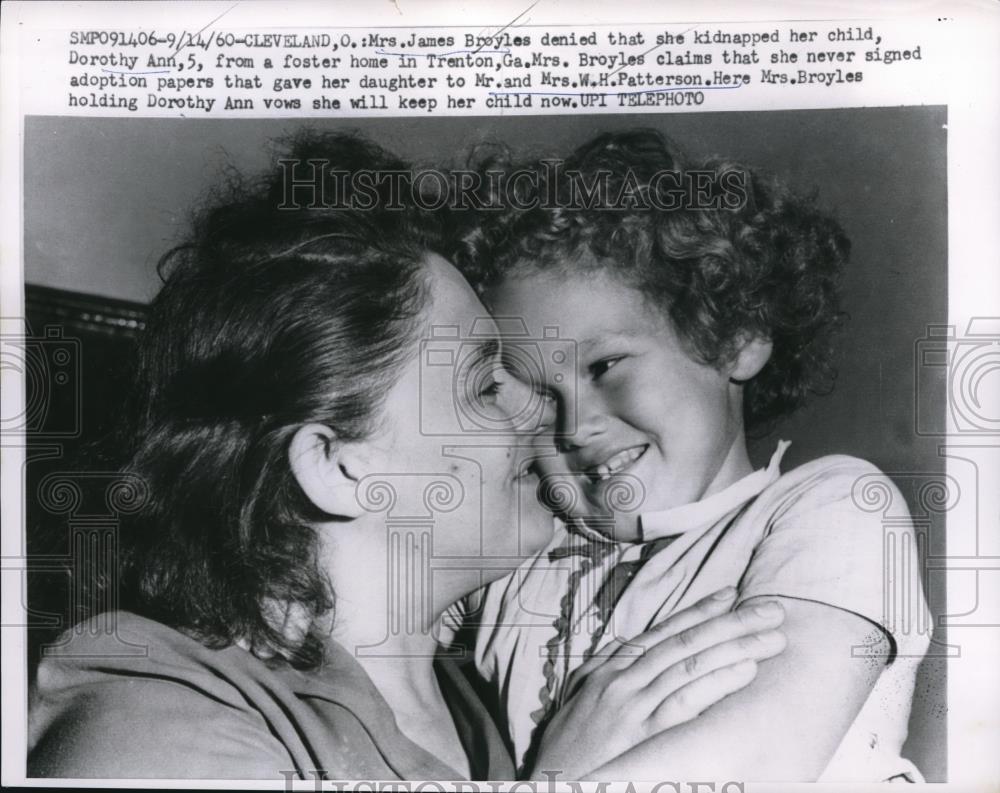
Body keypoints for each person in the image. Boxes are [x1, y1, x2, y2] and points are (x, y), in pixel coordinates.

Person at [27, 131, 790, 781]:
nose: (541, 412)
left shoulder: (493, 709)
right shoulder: (156, 714)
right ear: (339, 464)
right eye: (485, 384)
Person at [450, 129, 931, 781]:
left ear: (735, 338)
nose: (575, 425)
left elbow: (767, 749)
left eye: (605, 365)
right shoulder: (516, 558)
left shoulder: (831, 504)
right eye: (535, 391)